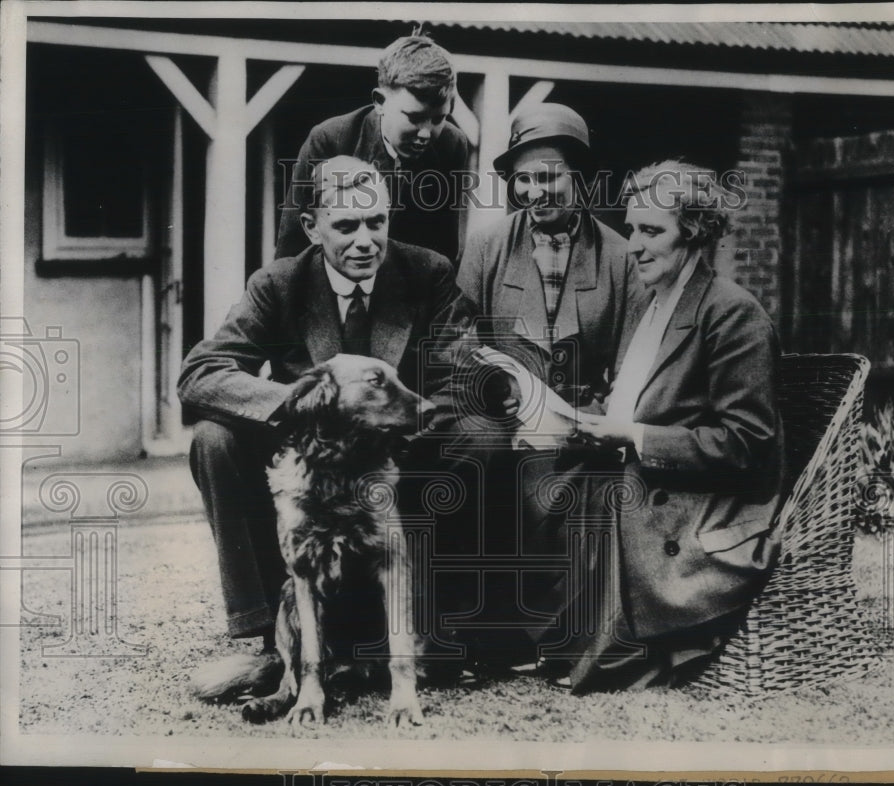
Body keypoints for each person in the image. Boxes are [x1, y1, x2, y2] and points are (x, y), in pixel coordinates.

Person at [178, 155, 476, 652]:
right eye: (346, 225)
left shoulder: (427, 272)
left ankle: (445, 625)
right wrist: (309, 405)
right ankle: (267, 625)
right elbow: (202, 373)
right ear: (312, 228)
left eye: (376, 222)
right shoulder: (277, 283)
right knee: (213, 439)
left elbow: (461, 378)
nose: (365, 241)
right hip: (312, 454)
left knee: (474, 434)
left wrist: (400, 425)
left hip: (401, 448)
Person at [562, 160, 786, 692]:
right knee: (542, 473)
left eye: (650, 231)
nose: (632, 245)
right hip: (651, 485)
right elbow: (645, 399)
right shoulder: (656, 304)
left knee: (588, 494)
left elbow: (746, 443)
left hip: (703, 509)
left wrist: (635, 437)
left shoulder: (733, 313)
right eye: (631, 228)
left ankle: (607, 642)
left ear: (694, 233)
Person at [454, 103, 645, 668]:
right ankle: (481, 634)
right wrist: (500, 392)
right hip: (500, 405)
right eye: (526, 180)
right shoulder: (488, 245)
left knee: (561, 475)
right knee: (475, 459)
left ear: (579, 178)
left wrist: (599, 413)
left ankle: (558, 640)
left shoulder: (619, 255)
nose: (537, 192)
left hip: (582, 414)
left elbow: (637, 355)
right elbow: (458, 336)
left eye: (550, 178)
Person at [274, 35, 470, 264]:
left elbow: (443, 248)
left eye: (438, 119)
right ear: (380, 102)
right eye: (414, 118)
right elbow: (293, 247)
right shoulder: (329, 140)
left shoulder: (452, 145)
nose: (426, 133)